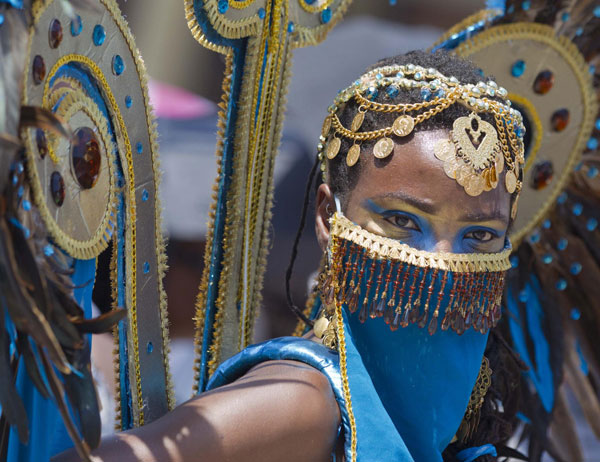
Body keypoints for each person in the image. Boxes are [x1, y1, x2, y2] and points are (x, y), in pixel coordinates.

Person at [54, 49, 525, 462]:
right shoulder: (302, 402)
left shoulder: (439, 416)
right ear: (328, 218)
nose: (442, 263)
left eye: (480, 235)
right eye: (403, 222)